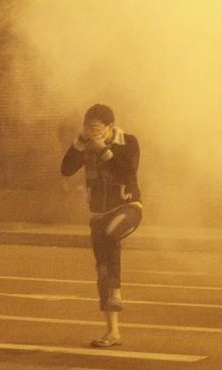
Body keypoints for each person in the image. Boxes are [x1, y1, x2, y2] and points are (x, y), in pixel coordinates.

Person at [60, 104, 142, 348]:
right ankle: (112, 331)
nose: (93, 132)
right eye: (88, 126)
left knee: (110, 233)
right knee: (102, 270)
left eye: (97, 128)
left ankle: (117, 292)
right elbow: (65, 169)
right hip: (99, 214)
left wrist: (104, 150)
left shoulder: (128, 141)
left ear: (110, 127)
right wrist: (80, 142)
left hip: (128, 208)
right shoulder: (84, 144)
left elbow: (128, 175)